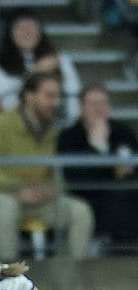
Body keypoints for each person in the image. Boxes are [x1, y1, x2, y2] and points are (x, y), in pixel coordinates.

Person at [0, 72, 93, 261]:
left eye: (58, 96)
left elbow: (58, 173)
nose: (55, 102)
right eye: (49, 96)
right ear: (29, 96)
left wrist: (52, 189)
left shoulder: (53, 131)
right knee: (6, 207)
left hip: (39, 198)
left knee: (80, 211)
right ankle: (8, 277)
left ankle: (74, 277)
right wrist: (18, 188)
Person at [57, 86, 138, 255]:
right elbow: (75, 177)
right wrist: (97, 147)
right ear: (82, 107)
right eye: (93, 103)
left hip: (126, 193)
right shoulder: (70, 136)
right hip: (88, 195)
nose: (98, 108)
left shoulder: (123, 131)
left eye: (102, 103)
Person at [0, 12, 81, 126]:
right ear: (10, 33)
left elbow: (73, 100)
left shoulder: (61, 60)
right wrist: (35, 73)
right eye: (20, 28)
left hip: (58, 123)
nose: (27, 32)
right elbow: (7, 104)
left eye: (32, 27)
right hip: (17, 127)